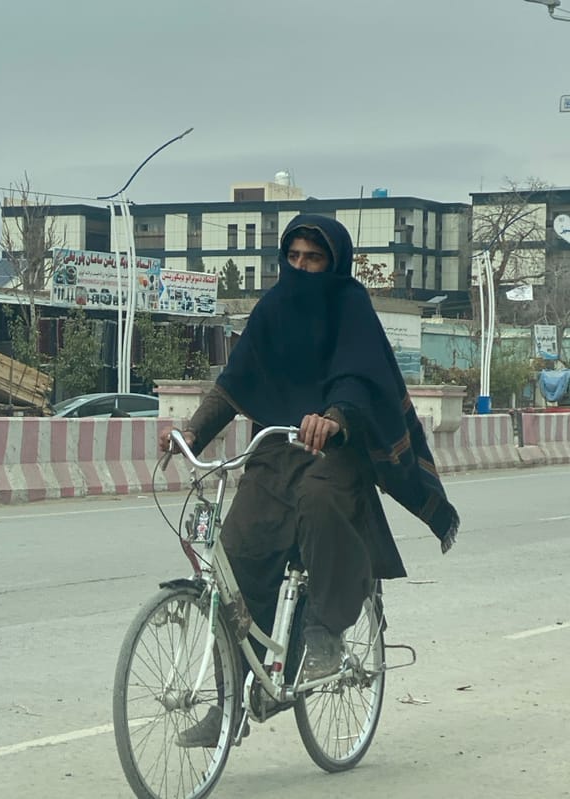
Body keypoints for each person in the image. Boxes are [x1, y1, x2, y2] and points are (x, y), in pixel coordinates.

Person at [160, 213, 459, 746]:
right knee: (236, 553)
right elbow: (235, 383)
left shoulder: (351, 306)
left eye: (313, 258)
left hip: (335, 452)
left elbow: (360, 377)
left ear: (333, 262)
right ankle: (229, 703)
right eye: (294, 257)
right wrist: (190, 434)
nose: (302, 267)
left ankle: (325, 627)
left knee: (321, 506)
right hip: (275, 451)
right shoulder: (273, 307)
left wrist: (334, 416)